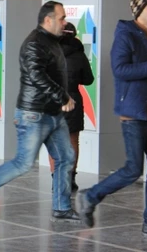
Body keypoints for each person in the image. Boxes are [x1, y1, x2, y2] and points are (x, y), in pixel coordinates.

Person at [76, 0, 147, 242]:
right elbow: (120, 69)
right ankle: (90, 196)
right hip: (134, 113)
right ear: (139, 10)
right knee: (133, 169)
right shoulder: (126, 34)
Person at [0, 1, 80, 223]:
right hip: (34, 114)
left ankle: (62, 207)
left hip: (52, 113)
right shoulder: (34, 44)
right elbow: (37, 76)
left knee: (66, 157)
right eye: (61, 18)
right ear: (47, 20)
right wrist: (62, 96)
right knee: (23, 162)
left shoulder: (51, 40)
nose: (65, 22)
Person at [48, 22, 94, 191]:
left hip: (52, 100)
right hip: (73, 100)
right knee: (73, 140)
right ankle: (70, 178)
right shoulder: (79, 55)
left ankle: (56, 178)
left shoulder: (48, 53)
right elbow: (88, 80)